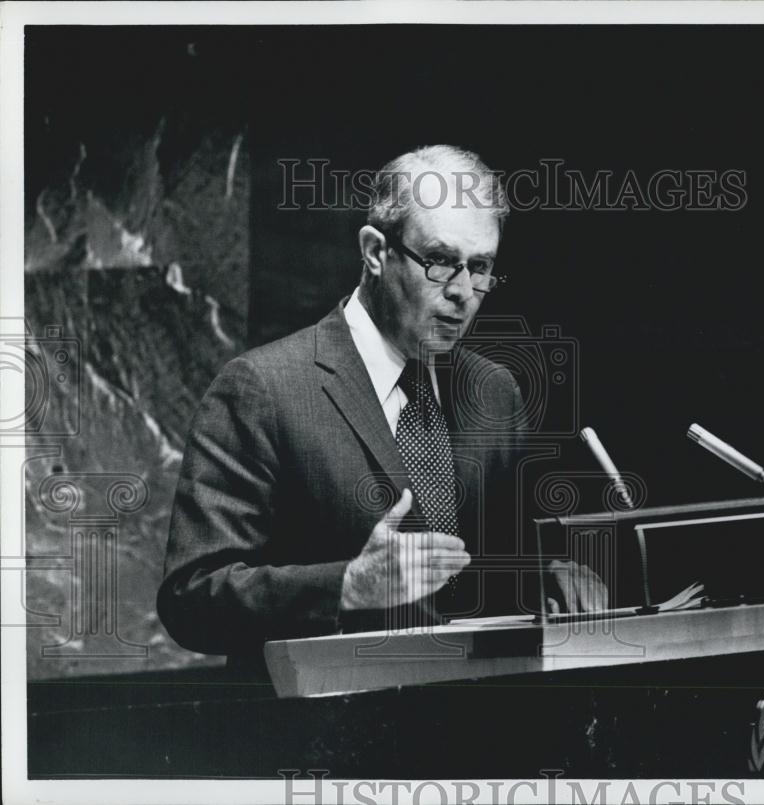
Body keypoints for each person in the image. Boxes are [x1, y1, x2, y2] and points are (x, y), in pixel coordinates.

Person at [157, 145, 607, 678]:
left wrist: (549, 573)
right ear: (375, 252)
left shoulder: (493, 391)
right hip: (325, 737)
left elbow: (486, 566)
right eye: (439, 262)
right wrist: (348, 585)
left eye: (481, 267)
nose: (464, 293)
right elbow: (192, 598)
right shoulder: (263, 390)